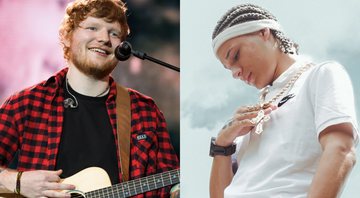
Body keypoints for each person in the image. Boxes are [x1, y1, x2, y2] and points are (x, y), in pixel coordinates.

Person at [0, 0, 179, 197]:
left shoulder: (145, 111)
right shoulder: (26, 104)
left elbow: (172, 187)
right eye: (93, 27)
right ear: (68, 37)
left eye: (114, 33)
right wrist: (15, 181)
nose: (104, 38)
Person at [209, 4, 358, 198]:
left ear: (264, 33)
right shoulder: (246, 126)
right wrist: (222, 145)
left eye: (235, 55)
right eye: (229, 69)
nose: (235, 73)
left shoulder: (320, 75)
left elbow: (341, 149)